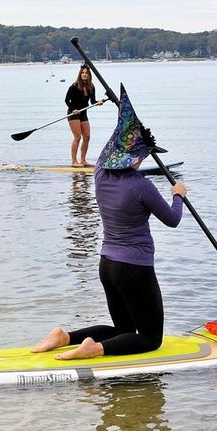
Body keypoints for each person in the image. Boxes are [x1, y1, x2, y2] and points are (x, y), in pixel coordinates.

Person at [32, 85, 186, 360]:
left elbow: (109, 150)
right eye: (144, 156)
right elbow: (172, 220)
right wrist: (178, 196)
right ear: (137, 157)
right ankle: (95, 348)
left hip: (107, 265)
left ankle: (65, 337)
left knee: (122, 328)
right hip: (135, 267)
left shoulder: (100, 174)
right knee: (151, 338)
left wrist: (123, 118)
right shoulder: (143, 186)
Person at [65, 64, 104, 167]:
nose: (84, 74)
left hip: (83, 113)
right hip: (73, 113)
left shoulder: (91, 87)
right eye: (82, 73)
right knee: (77, 137)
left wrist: (98, 102)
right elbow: (66, 100)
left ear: (89, 75)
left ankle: (83, 160)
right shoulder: (74, 86)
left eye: (86, 73)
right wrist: (73, 109)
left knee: (87, 137)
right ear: (80, 74)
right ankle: (74, 161)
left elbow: (92, 102)